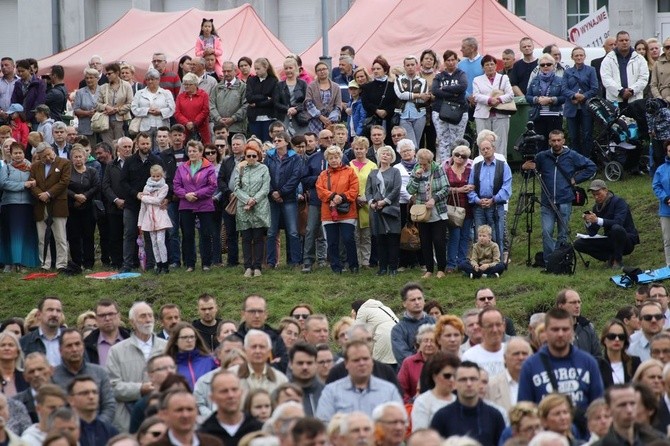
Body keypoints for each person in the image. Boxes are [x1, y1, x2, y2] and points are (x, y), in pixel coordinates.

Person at [521, 130, 596, 265]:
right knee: (546, 232)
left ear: (563, 141)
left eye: (558, 140)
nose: (556, 143)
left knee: (563, 233)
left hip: (565, 200)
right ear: (549, 141)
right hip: (547, 201)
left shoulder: (571, 155)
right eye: (553, 140)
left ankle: (560, 259)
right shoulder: (542, 157)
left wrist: (576, 179)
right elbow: (528, 175)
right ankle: (550, 261)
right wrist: (525, 168)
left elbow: (591, 166)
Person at [518, 308, 604, 418]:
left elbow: (598, 406)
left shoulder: (588, 362)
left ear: (572, 331)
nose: (560, 334)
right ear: (546, 331)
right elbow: (525, 410)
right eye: (555, 329)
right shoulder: (530, 366)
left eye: (565, 329)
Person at [105, 302, 167, 432]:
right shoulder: (117, 351)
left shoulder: (167, 347)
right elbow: (112, 387)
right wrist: (140, 389)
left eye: (150, 315)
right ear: (132, 322)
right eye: (143, 316)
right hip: (128, 421)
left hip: (163, 418)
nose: (148, 319)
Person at [315, 340, 401, 421]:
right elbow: (324, 424)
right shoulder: (331, 392)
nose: (362, 363)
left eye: (365, 359)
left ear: (372, 361)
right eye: (356, 360)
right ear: (346, 364)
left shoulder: (389, 391)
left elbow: (399, 422)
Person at [429, 361, 505, 445]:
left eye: (473, 379)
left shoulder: (494, 416)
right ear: (454, 383)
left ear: (479, 382)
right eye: (463, 379)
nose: (469, 384)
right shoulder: (441, 417)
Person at [172, 140, 217, 272]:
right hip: (186, 204)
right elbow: (176, 185)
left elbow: (212, 186)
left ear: (200, 152)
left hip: (204, 204)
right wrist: (185, 195)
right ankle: (190, 263)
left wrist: (196, 194)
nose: (191, 153)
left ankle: (206, 263)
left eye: (194, 151)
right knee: (188, 234)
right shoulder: (181, 167)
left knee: (205, 234)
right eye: (189, 151)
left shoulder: (209, 167)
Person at [573, 179, 639, 269]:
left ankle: (617, 261)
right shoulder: (596, 207)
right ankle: (610, 258)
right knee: (578, 244)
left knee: (616, 228)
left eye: (598, 194)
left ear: (606, 190)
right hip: (610, 239)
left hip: (626, 240)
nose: (596, 197)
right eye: (594, 195)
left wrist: (597, 220)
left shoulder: (619, 202)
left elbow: (619, 222)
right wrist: (588, 222)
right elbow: (592, 233)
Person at [315, 145, 359, 274]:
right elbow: (320, 190)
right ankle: (336, 267)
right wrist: (333, 196)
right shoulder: (323, 174)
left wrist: (342, 197)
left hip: (347, 211)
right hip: (329, 212)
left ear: (341, 157)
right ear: (327, 159)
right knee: (332, 242)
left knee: (348, 239)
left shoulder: (350, 172)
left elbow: (354, 189)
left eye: (336, 157)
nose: (334, 160)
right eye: (331, 158)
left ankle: (353, 265)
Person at [406, 148, 449, 279]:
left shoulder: (438, 169)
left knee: (439, 240)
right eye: (421, 163)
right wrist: (417, 178)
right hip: (422, 212)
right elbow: (410, 189)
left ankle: (441, 268)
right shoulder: (416, 169)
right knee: (425, 242)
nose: (423, 166)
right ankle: (429, 269)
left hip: (438, 211)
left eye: (425, 164)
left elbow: (446, 188)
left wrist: (434, 199)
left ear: (431, 161)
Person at [264, 130, 303, 268]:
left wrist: (281, 192)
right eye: (274, 140)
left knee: (292, 231)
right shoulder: (268, 157)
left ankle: (295, 261)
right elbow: (265, 176)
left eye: (279, 140)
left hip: (289, 199)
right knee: (271, 231)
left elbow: (295, 177)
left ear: (287, 142)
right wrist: (272, 192)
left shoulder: (295, 158)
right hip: (272, 199)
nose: (276, 142)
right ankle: (270, 261)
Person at [30, 145, 71, 272]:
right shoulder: (35, 166)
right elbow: (31, 183)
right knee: (42, 236)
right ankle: (45, 264)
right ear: (39, 157)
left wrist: (48, 194)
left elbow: (64, 182)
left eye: (50, 154)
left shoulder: (65, 163)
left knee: (60, 236)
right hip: (41, 205)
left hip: (58, 203)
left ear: (53, 151)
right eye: (45, 156)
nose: (49, 157)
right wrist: (40, 195)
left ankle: (61, 264)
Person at [467, 138, 512, 255]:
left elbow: (506, 187)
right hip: (479, 206)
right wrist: (477, 200)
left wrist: (494, 200)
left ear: (494, 149)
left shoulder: (503, 166)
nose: (486, 151)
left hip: (496, 205)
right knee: (480, 236)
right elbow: (470, 187)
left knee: (497, 236)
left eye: (488, 148)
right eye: (483, 149)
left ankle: (498, 263)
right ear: (480, 151)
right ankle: (481, 263)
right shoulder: (476, 166)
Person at [234, 140, 271, 277]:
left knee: (258, 237)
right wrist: (246, 200)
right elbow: (236, 188)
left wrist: (254, 200)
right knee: (246, 238)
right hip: (243, 207)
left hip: (259, 207)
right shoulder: (241, 168)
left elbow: (265, 187)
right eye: (248, 156)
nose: (251, 158)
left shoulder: (264, 169)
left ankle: (257, 266)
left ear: (258, 156)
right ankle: (247, 266)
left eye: (254, 156)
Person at [198, 370, 263, 446]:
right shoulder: (204, 435)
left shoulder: (258, 429)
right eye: (224, 391)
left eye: (234, 390)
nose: (231, 395)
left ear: (241, 392)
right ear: (212, 398)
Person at [0, 141, 38, 271]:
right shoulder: (7, 168)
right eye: (15, 153)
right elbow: (4, 184)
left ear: (24, 153)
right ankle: (9, 262)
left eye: (20, 152)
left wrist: (31, 184)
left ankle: (24, 262)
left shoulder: (31, 167)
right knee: (10, 234)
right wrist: (23, 185)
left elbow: (35, 182)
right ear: (10, 154)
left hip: (27, 205)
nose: (18, 155)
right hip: (10, 205)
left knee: (26, 234)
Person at [366, 145, 401, 275]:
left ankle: (393, 268)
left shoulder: (395, 172)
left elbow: (396, 189)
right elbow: (368, 191)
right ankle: (382, 268)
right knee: (380, 239)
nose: (385, 156)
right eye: (383, 154)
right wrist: (371, 203)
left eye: (388, 154)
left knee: (392, 239)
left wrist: (385, 201)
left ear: (392, 158)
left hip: (391, 209)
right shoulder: (373, 173)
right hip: (376, 210)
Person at [593, 384, 664, 445]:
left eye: (632, 403)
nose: (629, 410)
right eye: (622, 405)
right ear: (608, 409)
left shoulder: (659, 442)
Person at [473, 55, 514, 157]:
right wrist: (489, 100)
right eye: (487, 65)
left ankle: (500, 167)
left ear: (496, 66)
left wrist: (499, 99)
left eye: (492, 64)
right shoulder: (477, 80)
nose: (490, 67)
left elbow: (510, 94)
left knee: (500, 142)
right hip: (482, 114)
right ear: (483, 67)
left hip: (501, 113)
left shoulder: (504, 78)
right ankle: (483, 166)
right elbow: (476, 96)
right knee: (483, 141)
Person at [66, 145, 99, 271]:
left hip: (88, 208)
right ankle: (76, 263)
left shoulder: (92, 171)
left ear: (85, 158)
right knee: (74, 236)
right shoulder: (68, 172)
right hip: (72, 208)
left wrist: (84, 197)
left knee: (88, 236)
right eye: (76, 157)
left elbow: (96, 186)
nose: (78, 159)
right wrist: (75, 196)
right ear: (72, 159)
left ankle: (89, 263)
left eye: (80, 157)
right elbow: (64, 187)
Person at [563, 47, 599, 159]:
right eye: (576, 55)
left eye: (581, 55)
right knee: (573, 136)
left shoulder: (590, 70)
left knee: (587, 135)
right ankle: (575, 159)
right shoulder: (567, 72)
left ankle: (587, 159)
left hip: (586, 107)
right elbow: (564, 88)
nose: (579, 57)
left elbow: (595, 88)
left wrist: (583, 96)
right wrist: (573, 95)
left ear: (584, 56)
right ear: (572, 57)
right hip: (572, 107)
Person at [153, 390, 222, 446]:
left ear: (197, 412)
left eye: (190, 409)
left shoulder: (213, 443)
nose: (185, 415)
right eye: (179, 410)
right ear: (166, 414)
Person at [526, 54, 567, 148]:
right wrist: (536, 99)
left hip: (555, 116)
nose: (545, 66)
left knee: (556, 144)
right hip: (538, 116)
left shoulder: (560, 80)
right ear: (539, 67)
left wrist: (551, 100)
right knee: (540, 144)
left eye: (548, 64)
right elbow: (528, 96)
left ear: (554, 66)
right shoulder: (534, 80)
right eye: (542, 65)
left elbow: (564, 97)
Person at [411, 352, 459, 430]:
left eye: (455, 376)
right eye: (447, 376)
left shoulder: (459, 400)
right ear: (434, 376)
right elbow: (419, 434)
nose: (452, 380)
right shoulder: (422, 401)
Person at [138, 165, 172, 274]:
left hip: (160, 217)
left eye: (158, 176)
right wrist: (140, 222)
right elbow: (143, 207)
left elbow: (158, 200)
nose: (156, 178)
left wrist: (143, 197)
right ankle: (159, 265)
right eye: (154, 176)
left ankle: (165, 264)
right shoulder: (146, 187)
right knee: (153, 242)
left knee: (160, 241)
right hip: (149, 219)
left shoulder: (164, 186)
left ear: (162, 175)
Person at [444, 144, 473, 273]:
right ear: (453, 155)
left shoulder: (470, 170)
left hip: (468, 206)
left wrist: (472, 187)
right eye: (457, 155)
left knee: (465, 236)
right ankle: (451, 263)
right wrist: (459, 189)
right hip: (453, 206)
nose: (460, 158)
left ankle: (462, 262)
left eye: (463, 156)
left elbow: (475, 183)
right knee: (454, 235)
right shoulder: (447, 170)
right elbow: (443, 189)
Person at [601, 31, 649, 105]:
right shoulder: (608, 59)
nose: (624, 42)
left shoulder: (640, 59)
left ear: (630, 41)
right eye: (621, 40)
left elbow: (643, 78)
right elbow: (606, 78)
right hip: (615, 101)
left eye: (626, 40)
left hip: (635, 100)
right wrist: (621, 91)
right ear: (616, 42)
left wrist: (632, 91)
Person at [163, 322, 216, 391]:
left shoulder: (209, 361)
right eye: (185, 337)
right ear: (175, 341)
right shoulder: (169, 364)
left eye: (192, 337)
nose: (189, 340)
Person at [66, 376, 118, 446]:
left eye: (95, 392)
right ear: (70, 400)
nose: (91, 397)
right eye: (85, 393)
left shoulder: (111, 432)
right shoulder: (64, 431)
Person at [391, 283, 434, 366]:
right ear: (404, 303)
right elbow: (403, 357)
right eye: (413, 300)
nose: (417, 302)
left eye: (419, 298)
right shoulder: (398, 330)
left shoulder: (434, 322)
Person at [130, 69, 176, 147]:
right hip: (145, 126)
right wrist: (147, 110)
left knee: (161, 148)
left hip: (162, 126)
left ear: (158, 80)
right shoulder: (139, 93)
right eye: (148, 79)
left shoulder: (166, 93)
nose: (150, 82)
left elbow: (172, 109)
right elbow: (134, 109)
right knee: (146, 147)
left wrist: (160, 111)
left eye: (152, 79)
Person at [486, 337, 532, 412]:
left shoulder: (536, 382)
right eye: (516, 354)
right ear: (505, 358)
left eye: (524, 354)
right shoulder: (491, 386)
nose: (521, 357)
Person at [350, 136, 376, 268]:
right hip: (352, 203)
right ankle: (356, 261)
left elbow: (375, 185)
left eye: (361, 149)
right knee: (354, 234)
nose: (359, 151)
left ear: (366, 150)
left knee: (366, 234)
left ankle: (366, 261)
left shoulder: (373, 165)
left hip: (367, 203)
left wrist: (366, 198)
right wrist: (354, 198)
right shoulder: (349, 165)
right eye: (356, 148)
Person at [393, 56, 429, 148]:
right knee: (411, 144)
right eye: (408, 65)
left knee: (417, 142)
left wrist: (408, 96)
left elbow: (423, 99)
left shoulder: (422, 81)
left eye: (412, 64)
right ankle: (414, 161)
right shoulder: (399, 79)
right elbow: (400, 95)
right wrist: (418, 95)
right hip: (403, 115)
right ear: (404, 66)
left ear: (416, 66)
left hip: (419, 114)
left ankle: (415, 160)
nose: (410, 67)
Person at [360, 56, 397, 144]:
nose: (375, 71)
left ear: (385, 70)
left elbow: (396, 102)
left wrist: (386, 111)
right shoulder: (367, 87)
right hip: (372, 121)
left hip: (388, 121)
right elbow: (365, 103)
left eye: (378, 69)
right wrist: (376, 110)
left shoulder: (393, 86)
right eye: (374, 69)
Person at [397, 324, 436, 403]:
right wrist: (411, 402)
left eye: (432, 341)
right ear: (419, 343)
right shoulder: (408, 362)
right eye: (425, 341)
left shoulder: (444, 361)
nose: (429, 344)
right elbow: (401, 390)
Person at [96, 63, 132, 146]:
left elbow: (130, 103)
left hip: (121, 120)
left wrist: (116, 110)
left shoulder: (126, 86)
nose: (107, 76)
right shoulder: (103, 87)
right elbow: (97, 104)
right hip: (105, 121)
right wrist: (106, 107)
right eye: (106, 74)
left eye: (109, 74)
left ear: (117, 73)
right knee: (107, 145)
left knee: (120, 144)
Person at [598, 319, 640, 389]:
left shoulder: (635, 362)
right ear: (604, 339)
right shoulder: (597, 365)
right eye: (612, 336)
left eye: (621, 337)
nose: (617, 339)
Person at [245, 58, 278, 142]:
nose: (256, 71)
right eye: (255, 69)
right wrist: (265, 97)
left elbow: (273, 100)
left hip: (268, 117)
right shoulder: (251, 80)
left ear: (265, 67)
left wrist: (257, 104)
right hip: (254, 118)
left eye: (258, 69)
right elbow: (249, 98)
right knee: (255, 142)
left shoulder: (273, 81)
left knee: (267, 142)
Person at [304, 61, 342, 134]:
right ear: (316, 72)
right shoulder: (311, 86)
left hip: (331, 122)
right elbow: (308, 103)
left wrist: (329, 119)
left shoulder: (336, 87)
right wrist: (320, 116)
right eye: (319, 70)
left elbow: (338, 106)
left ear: (328, 70)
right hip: (315, 121)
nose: (322, 71)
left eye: (324, 69)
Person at [274, 57, 307, 135]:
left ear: (295, 68)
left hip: (300, 118)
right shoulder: (279, 85)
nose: (288, 70)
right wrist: (287, 109)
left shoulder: (303, 84)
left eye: (290, 68)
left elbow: (307, 101)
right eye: (286, 68)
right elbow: (276, 103)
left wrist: (296, 109)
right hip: (284, 118)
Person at [174, 73, 210, 144]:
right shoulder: (180, 96)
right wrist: (186, 123)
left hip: (201, 129)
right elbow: (177, 112)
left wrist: (195, 123)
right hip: (184, 129)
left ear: (196, 84)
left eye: (189, 84)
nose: (186, 86)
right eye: (185, 84)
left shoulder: (203, 95)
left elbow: (205, 110)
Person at [654, 140, 670, 268]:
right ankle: (669, 265)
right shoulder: (661, 169)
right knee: (668, 240)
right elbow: (656, 186)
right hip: (666, 210)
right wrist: (666, 198)